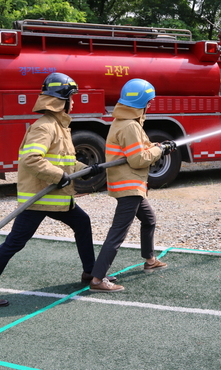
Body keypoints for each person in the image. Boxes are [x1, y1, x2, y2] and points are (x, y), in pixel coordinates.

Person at [0, 72, 109, 307]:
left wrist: (86, 169)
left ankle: (89, 273)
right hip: (39, 198)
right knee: (14, 243)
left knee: (82, 223)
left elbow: (63, 161)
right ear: (62, 99)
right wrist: (59, 176)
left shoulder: (59, 125)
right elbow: (32, 159)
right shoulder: (45, 127)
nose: (73, 102)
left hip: (54, 196)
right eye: (71, 97)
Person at [89, 78, 176, 292]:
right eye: (150, 102)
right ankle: (97, 279)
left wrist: (157, 146)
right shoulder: (130, 126)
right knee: (118, 232)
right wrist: (160, 151)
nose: (150, 105)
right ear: (143, 103)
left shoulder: (124, 122)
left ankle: (150, 260)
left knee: (149, 219)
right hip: (129, 186)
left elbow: (138, 149)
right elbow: (138, 159)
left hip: (131, 185)